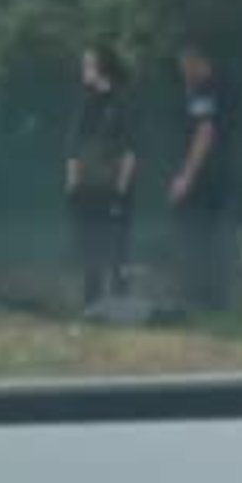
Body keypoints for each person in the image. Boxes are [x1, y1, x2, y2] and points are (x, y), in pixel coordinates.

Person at [64, 43, 137, 309]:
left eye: (88, 65)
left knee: (117, 247)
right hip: (88, 187)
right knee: (90, 246)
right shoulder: (85, 103)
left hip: (113, 186)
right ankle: (92, 304)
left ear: (102, 68)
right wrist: (72, 184)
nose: (84, 70)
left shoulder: (122, 102)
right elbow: (73, 148)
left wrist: (121, 190)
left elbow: (130, 150)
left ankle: (120, 303)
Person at [169, 41, 234, 316]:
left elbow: (204, 134)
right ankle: (207, 298)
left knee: (198, 235)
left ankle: (201, 297)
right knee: (205, 235)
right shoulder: (208, 87)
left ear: (197, 61)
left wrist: (186, 176)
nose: (182, 72)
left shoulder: (208, 89)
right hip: (215, 173)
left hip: (206, 176)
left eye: (185, 65)